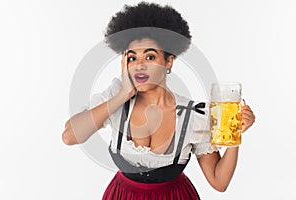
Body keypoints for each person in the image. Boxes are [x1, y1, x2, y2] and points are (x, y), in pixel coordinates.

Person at [62, 2, 255, 199]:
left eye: (150, 57)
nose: (139, 66)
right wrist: (123, 95)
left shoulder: (192, 116)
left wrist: (234, 136)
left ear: (168, 61)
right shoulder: (115, 97)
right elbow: (70, 136)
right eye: (132, 58)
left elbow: (219, 181)